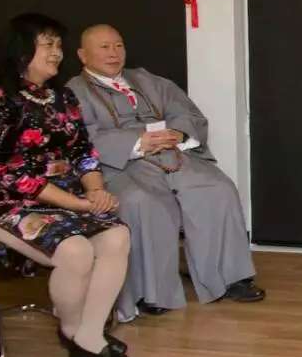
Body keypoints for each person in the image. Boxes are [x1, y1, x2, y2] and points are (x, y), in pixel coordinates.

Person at [0, 13, 135, 357]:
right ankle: (74, 333)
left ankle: (90, 335)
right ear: (22, 51)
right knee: (75, 250)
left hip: (65, 200)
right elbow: (14, 176)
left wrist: (95, 191)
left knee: (117, 236)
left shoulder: (63, 97)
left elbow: (83, 152)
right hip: (6, 205)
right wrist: (80, 204)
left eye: (58, 45)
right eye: (47, 44)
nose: (57, 52)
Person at [66, 25, 263, 321]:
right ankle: (152, 291)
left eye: (118, 46)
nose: (114, 53)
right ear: (83, 55)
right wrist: (136, 142)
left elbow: (186, 113)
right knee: (143, 202)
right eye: (104, 47)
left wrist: (179, 133)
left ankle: (229, 277)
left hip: (172, 155)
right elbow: (80, 139)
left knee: (217, 189)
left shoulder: (148, 80)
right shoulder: (73, 92)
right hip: (121, 164)